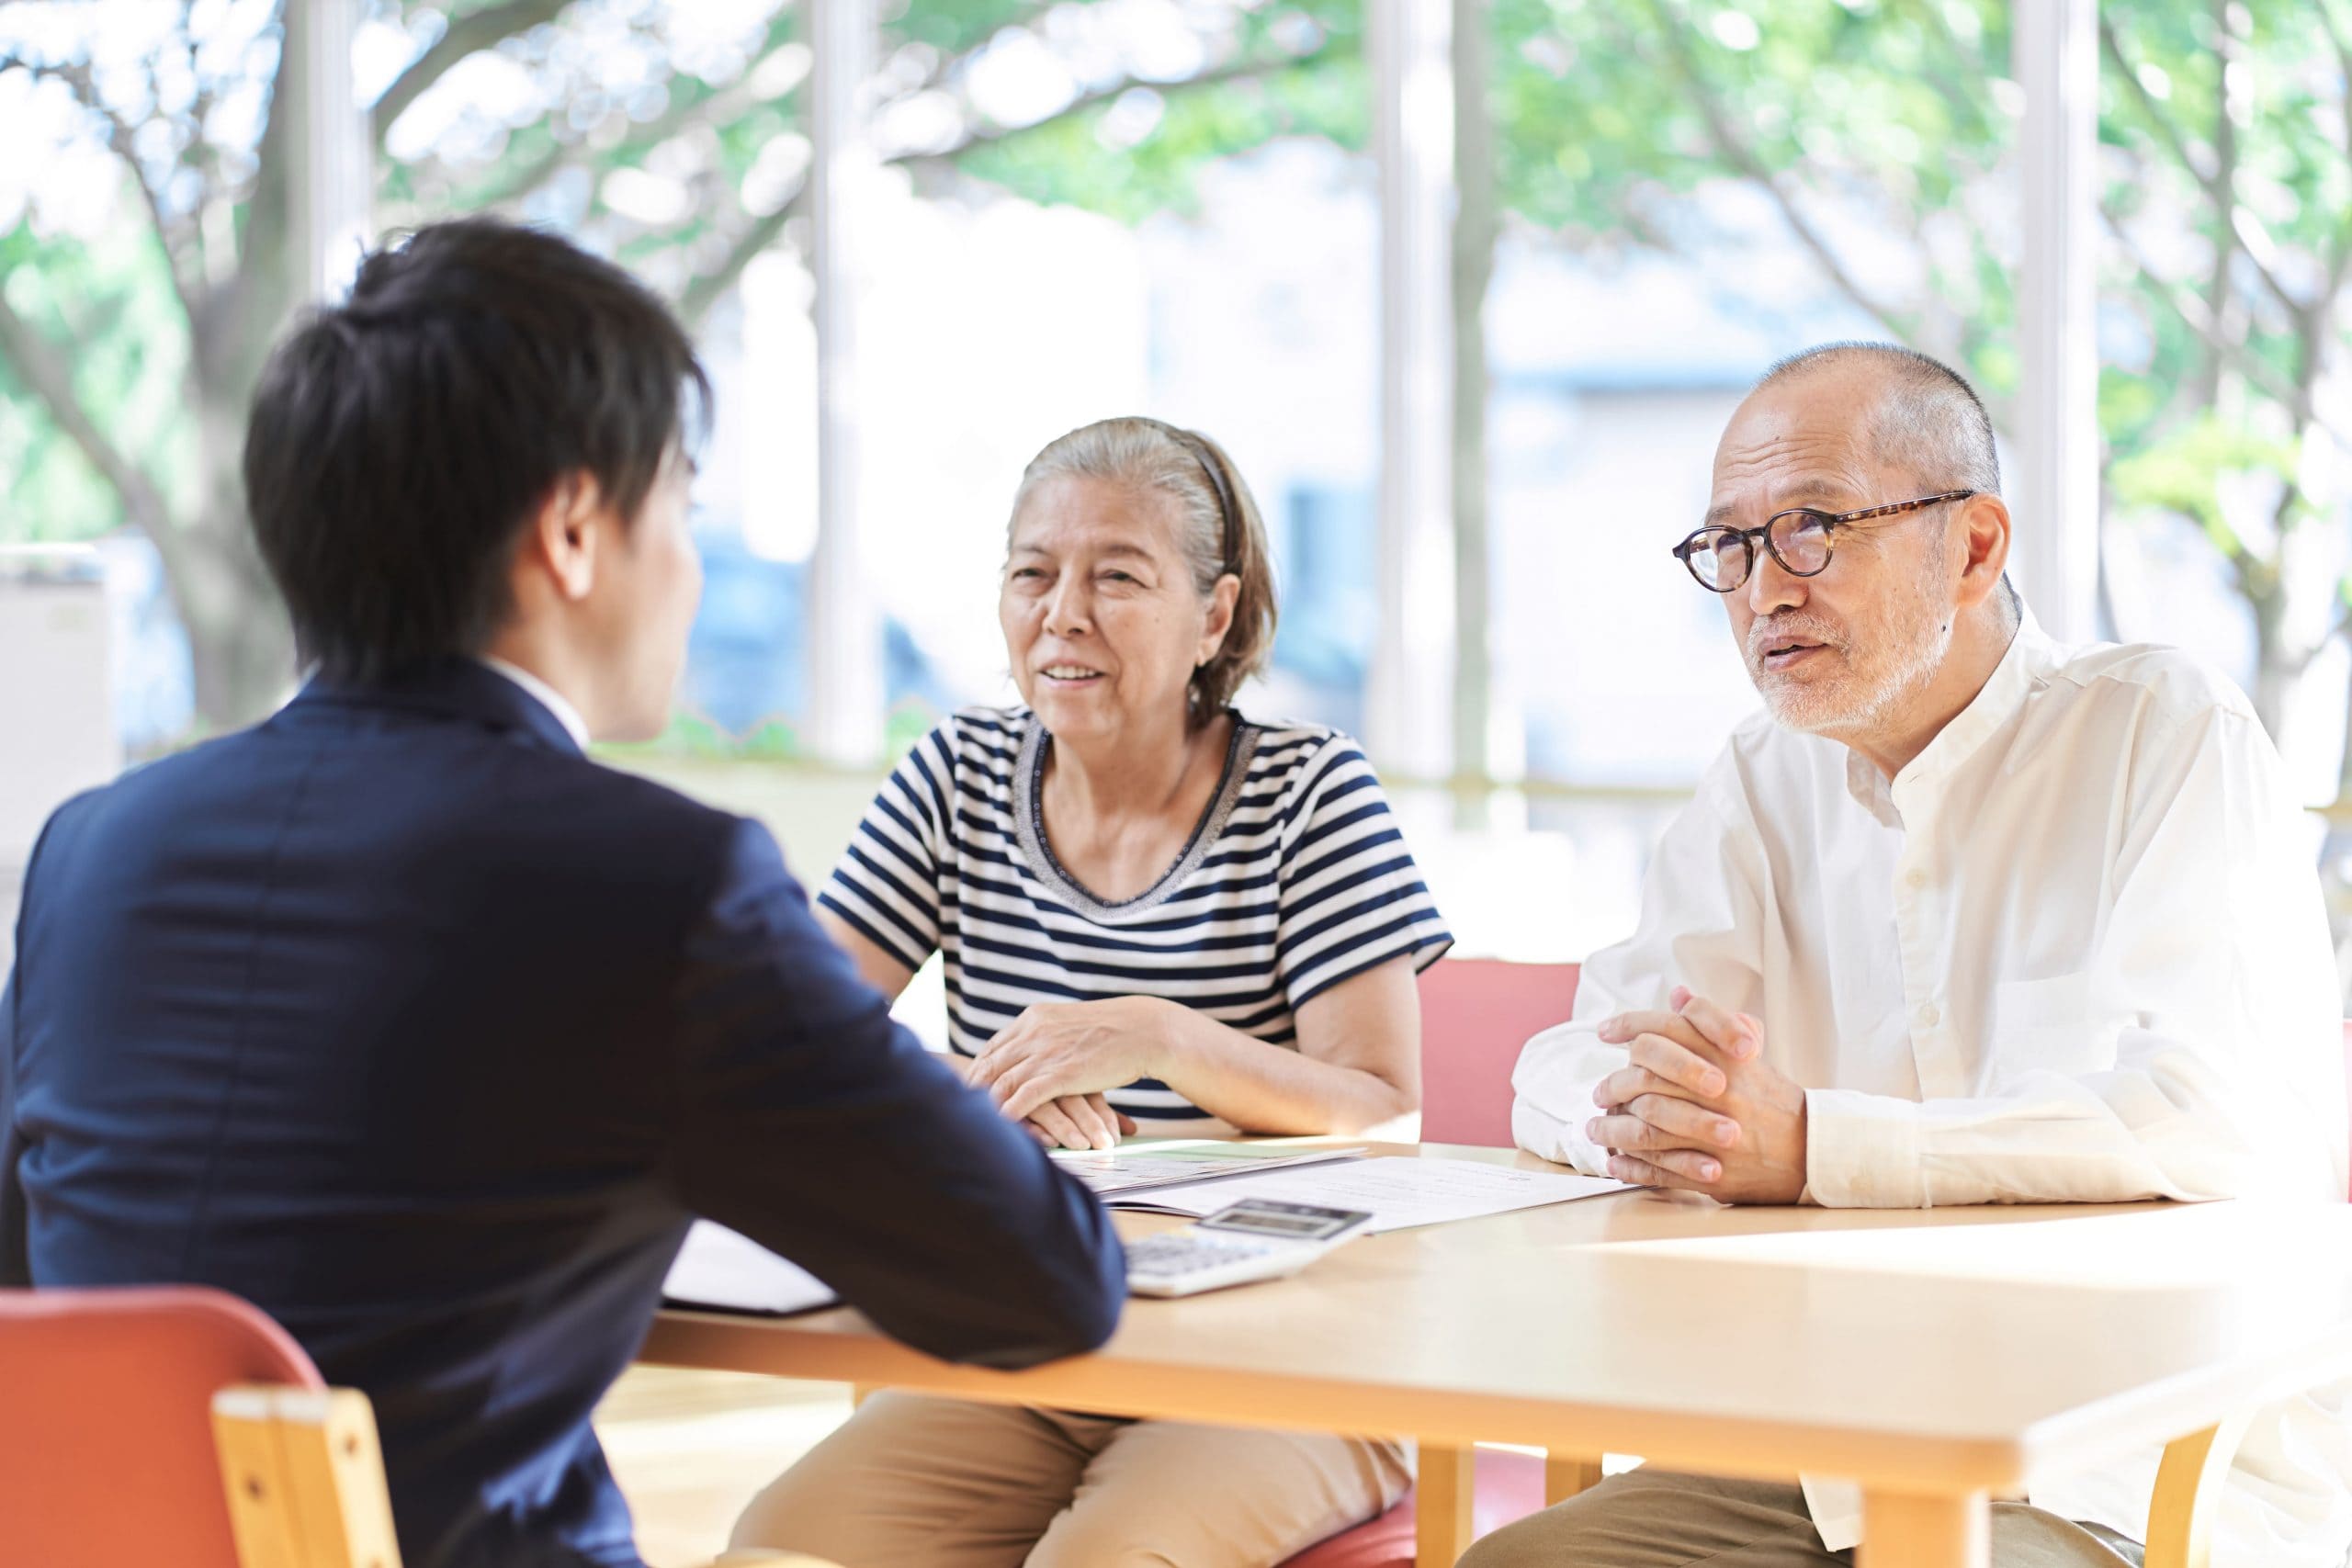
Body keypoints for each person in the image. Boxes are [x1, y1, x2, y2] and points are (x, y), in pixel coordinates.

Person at [0, 219, 1125, 1568]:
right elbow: (1047, 1282)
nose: (694, 571)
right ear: (577, 528)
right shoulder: (659, 881)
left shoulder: (92, 850)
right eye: (685, 510)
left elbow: (38, 1283)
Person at [1467, 342, 2352, 1568]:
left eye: (1814, 527)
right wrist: (1658, 1112)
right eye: (1729, 545)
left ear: (1976, 545)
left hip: (2131, 1462)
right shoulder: (1760, 778)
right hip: (1824, 1432)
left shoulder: (2167, 731)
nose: (1763, 588)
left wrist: (1815, 1143)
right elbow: (1572, 1055)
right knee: (1514, 1561)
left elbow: (2215, 1123)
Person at [729, 416, 1453, 1566]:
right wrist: (977, 1094)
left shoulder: (1311, 795)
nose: (1062, 612)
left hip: (1292, 1362)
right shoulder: (953, 778)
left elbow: (1385, 1111)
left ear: (1213, 616)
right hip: (1029, 1334)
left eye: (1117, 576)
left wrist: (1156, 1036)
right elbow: (781, 1046)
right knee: (780, 1551)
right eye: (1033, 573)